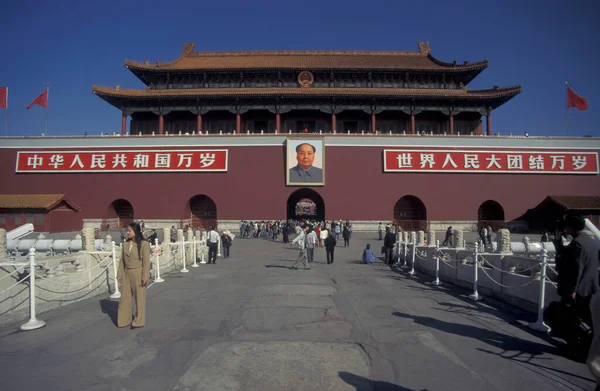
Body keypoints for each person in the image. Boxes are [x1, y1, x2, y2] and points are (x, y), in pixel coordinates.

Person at [556, 215, 599, 356]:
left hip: (577, 289)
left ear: (571, 227)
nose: (565, 229)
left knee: (572, 319)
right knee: (585, 319)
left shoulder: (578, 243)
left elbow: (577, 269)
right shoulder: (591, 241)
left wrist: (573, 290)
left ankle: (575, 349)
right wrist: (558, 241)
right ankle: (585, 347)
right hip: (590, 287)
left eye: (567, 226)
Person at [117, 222, 150, 328]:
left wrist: (145, 277)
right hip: (126, 273)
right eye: (127, 230)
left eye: (129, 231)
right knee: (125, 299)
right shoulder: (125, 244)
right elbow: (122, 260)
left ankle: (138, 321)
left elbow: (146, 262)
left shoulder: (144, 244)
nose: (127, 233)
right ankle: (123, 320)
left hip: (138, 272)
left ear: (135, 231)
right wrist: (119, 275)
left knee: (139, 299)